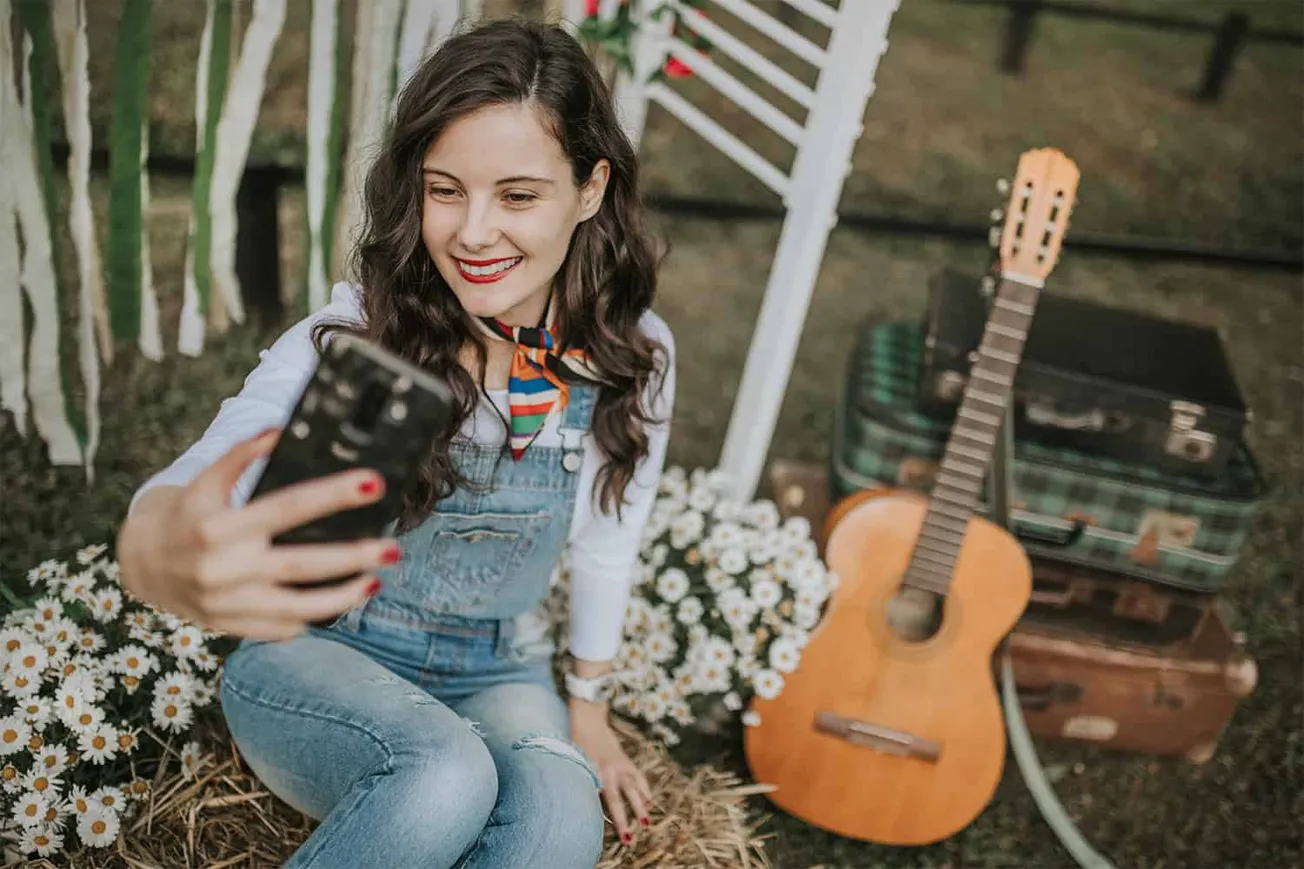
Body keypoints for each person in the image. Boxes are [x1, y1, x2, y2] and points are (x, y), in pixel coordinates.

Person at [116, 17, 675, 869]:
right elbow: (195, 478)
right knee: (443, 773)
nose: (473, 233)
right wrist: (158, 544)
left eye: (518, 196)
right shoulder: (355, 337)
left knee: (562, 830)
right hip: (324, 650)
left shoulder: (630, 355)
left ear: (591, 188)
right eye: (444, 188)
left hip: (501, 670)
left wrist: (588, 710)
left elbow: (610, 535)